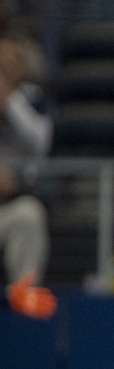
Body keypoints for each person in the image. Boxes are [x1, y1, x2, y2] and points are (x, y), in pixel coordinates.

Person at [0, 37, 55, 318]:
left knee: (29, 214)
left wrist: (14, 185)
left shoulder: (24, 113)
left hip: (7, 208)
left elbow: (38, 169)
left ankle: (23, 295)